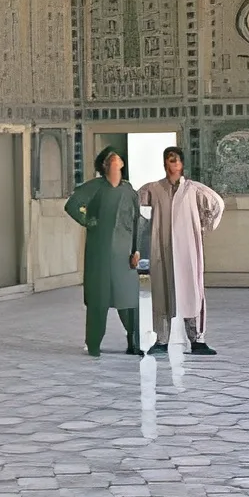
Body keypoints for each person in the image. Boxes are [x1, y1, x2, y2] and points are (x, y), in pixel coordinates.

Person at [135, 146, 225, 357]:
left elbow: (217, 204)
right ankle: (162, 339)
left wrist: (202, 227)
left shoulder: (193, 189)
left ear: (182, 164)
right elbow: (134, 203)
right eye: (167, 160)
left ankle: (197, 340)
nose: (170, 165)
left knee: (191, 292)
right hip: (163, 249)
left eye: (174, 160)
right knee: (162, 293)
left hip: (187, 250)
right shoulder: (154, 189)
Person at [64, 148, 143, 357]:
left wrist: (137, 250)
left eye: (118, 157)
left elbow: (137, 221)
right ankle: (94, 344)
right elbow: (72, 205)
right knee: (99, 299)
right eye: (110, 158)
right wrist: (87, 220)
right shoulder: (95, 187)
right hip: (99, 253)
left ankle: (133, 342)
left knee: (129, 298)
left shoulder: (129, 191)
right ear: (104, 165)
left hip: (124, 254)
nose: (115, 159)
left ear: (123, 164)